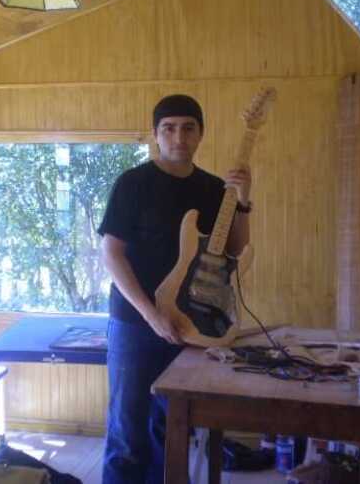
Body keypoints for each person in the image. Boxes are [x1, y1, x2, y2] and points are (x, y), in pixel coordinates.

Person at [98, 94, 252, 484]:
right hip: (136, 323)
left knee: (171, 432)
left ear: (201, 134)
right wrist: (151, 314)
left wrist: (243, 200)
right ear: (155, 134)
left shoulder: (214, 188)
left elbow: (233, 250)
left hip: (191, 325)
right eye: (168, 129)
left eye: (188, 128)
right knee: (127, 431)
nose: (178, 137)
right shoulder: (133, 184)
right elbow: (111, 254)